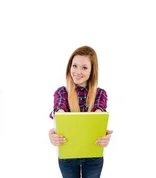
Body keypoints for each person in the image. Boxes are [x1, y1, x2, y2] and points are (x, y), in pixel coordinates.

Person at [48, 46, 112, 178]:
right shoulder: (62, 92)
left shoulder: (100, 93)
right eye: (74, 66)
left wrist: (103, 135)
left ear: (92, 70)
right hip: (68, 156)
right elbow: (59, 112)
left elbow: (99, 115)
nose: (77, 71)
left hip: (93, 155)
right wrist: (54, 134)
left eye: (84, 67)